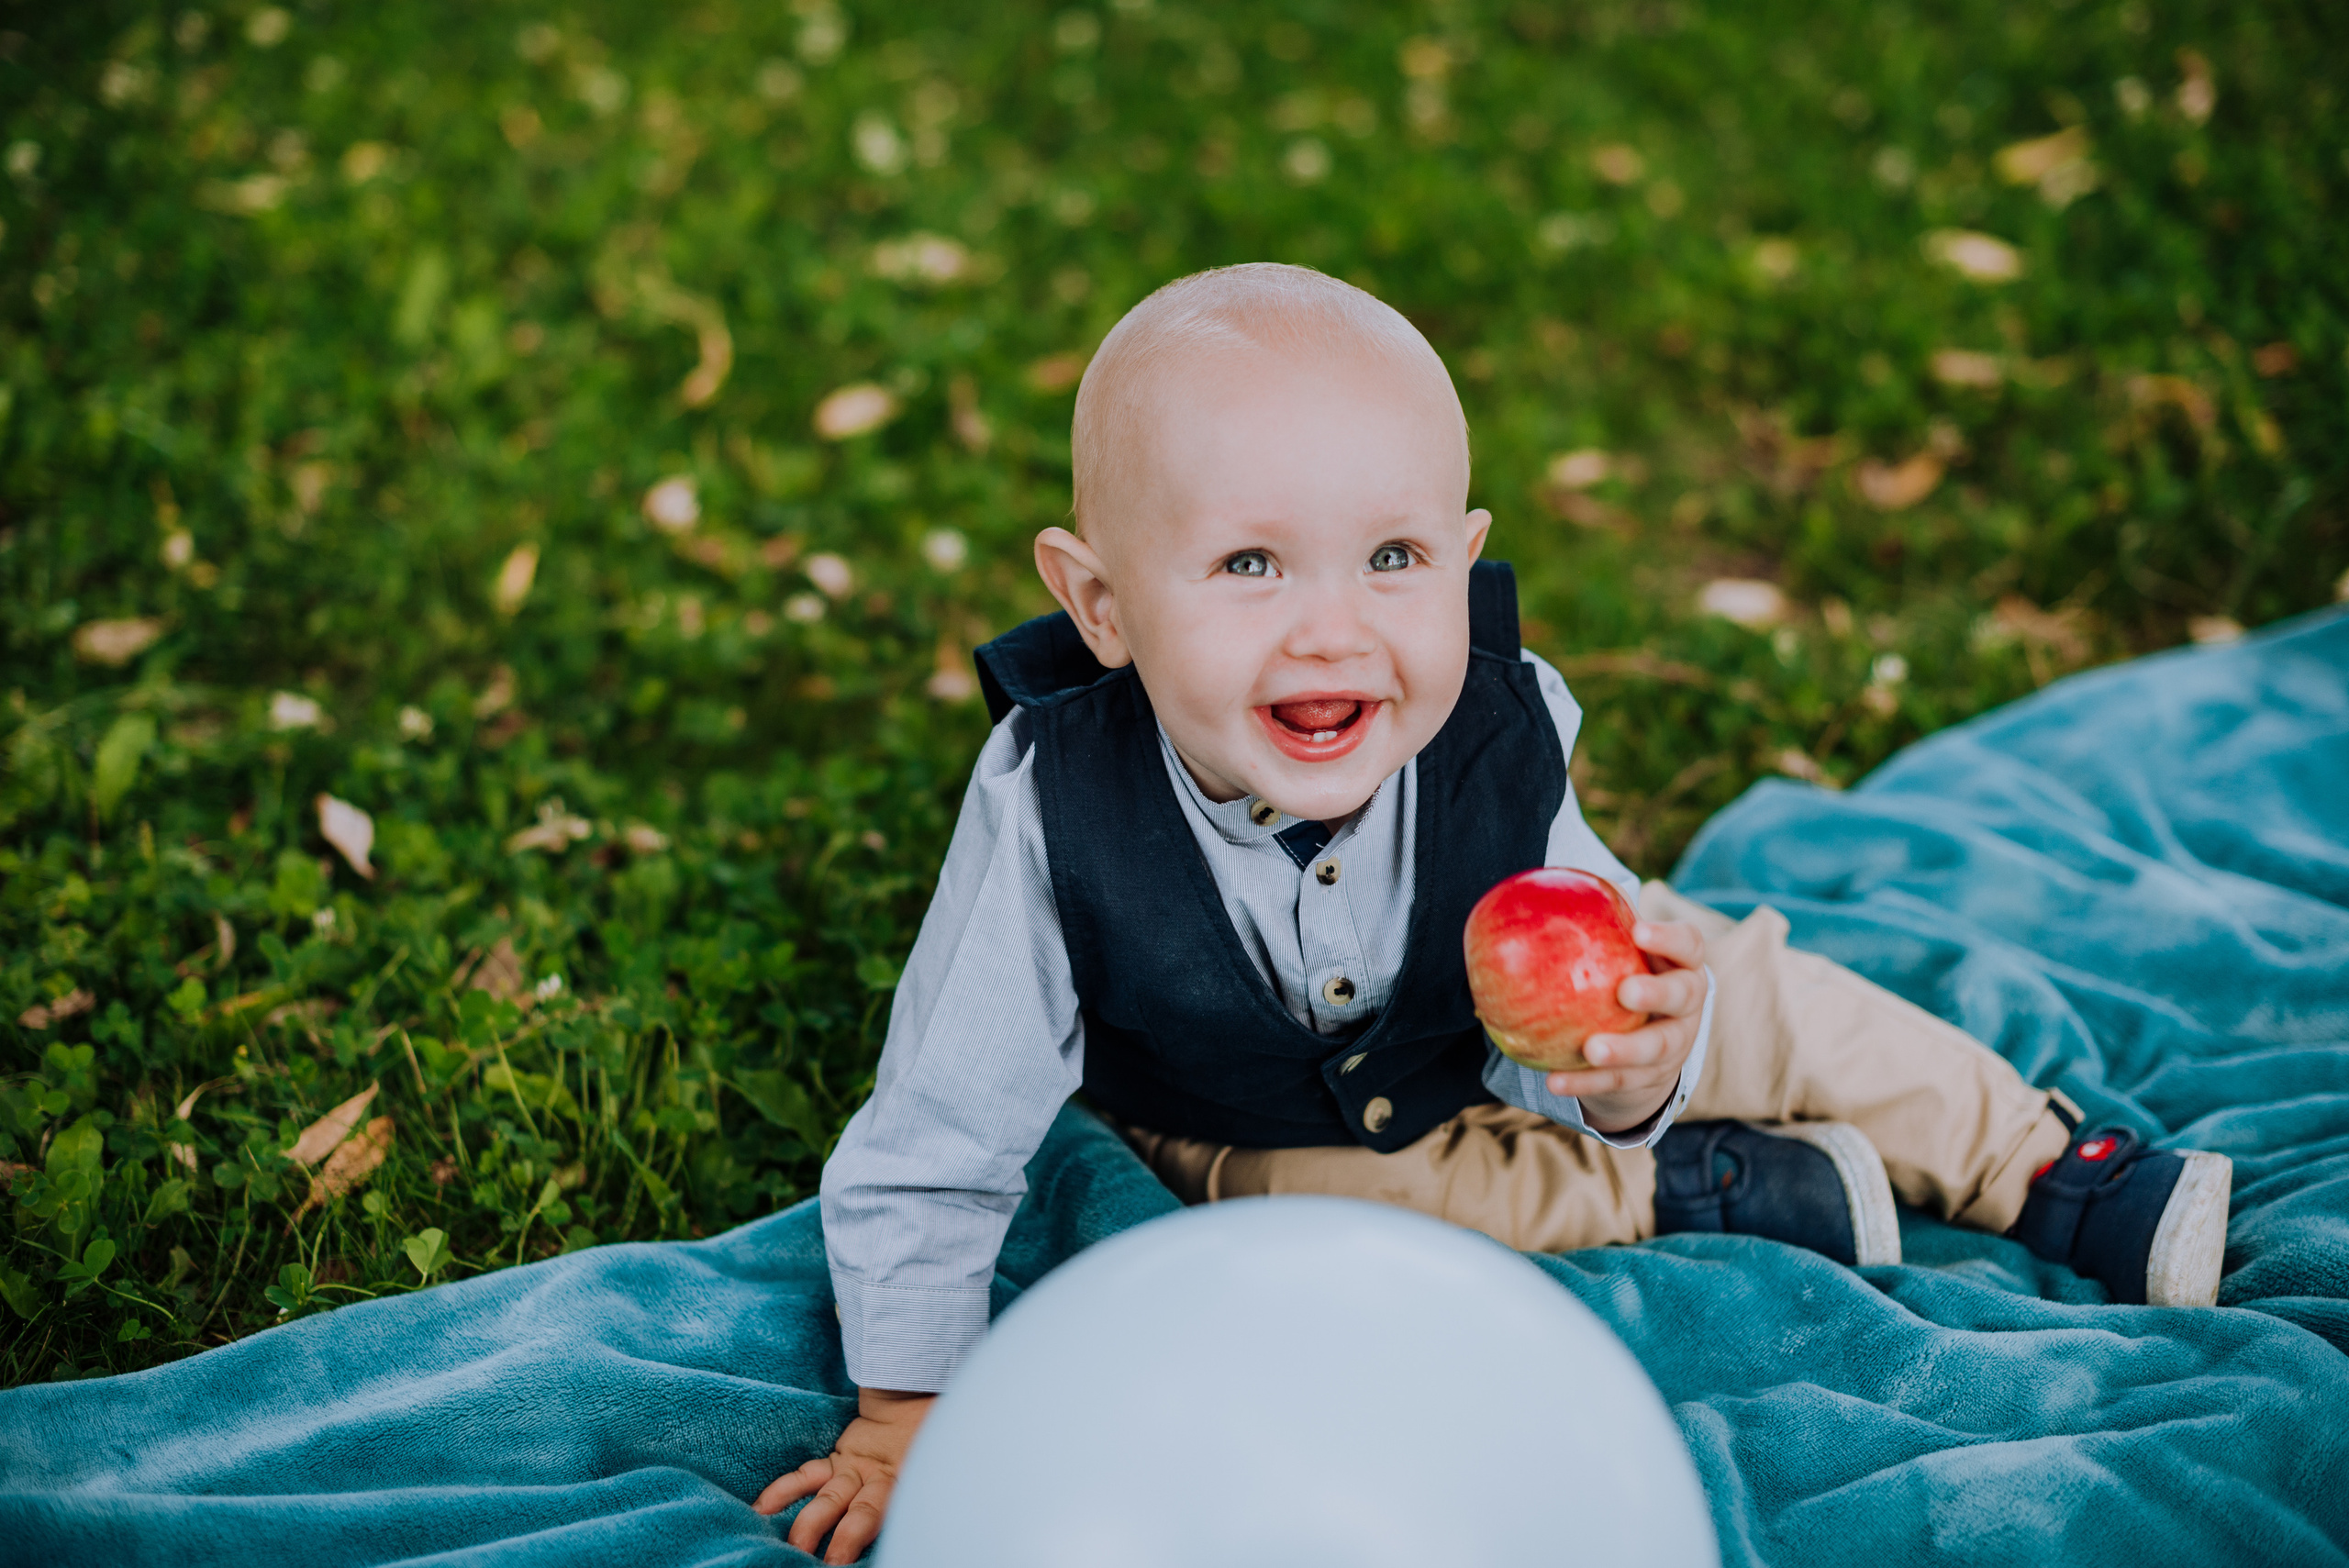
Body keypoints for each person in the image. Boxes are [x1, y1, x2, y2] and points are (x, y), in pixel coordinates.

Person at [755, 263, 2234, 1563]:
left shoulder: (1496, 733)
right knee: (1326, 1222)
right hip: (1248, 1110)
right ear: (1102, 605)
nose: (1333, 624)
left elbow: (1563, 997)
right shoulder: (1050, 804)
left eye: (1393, 559)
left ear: (1463, 566)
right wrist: (903, 1412)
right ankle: (1703, 1189)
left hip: (1479, 1029)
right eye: (1249, 563)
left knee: (1754, 992)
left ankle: (2046, 1161)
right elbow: (938, 1137)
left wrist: (1629, 1068)